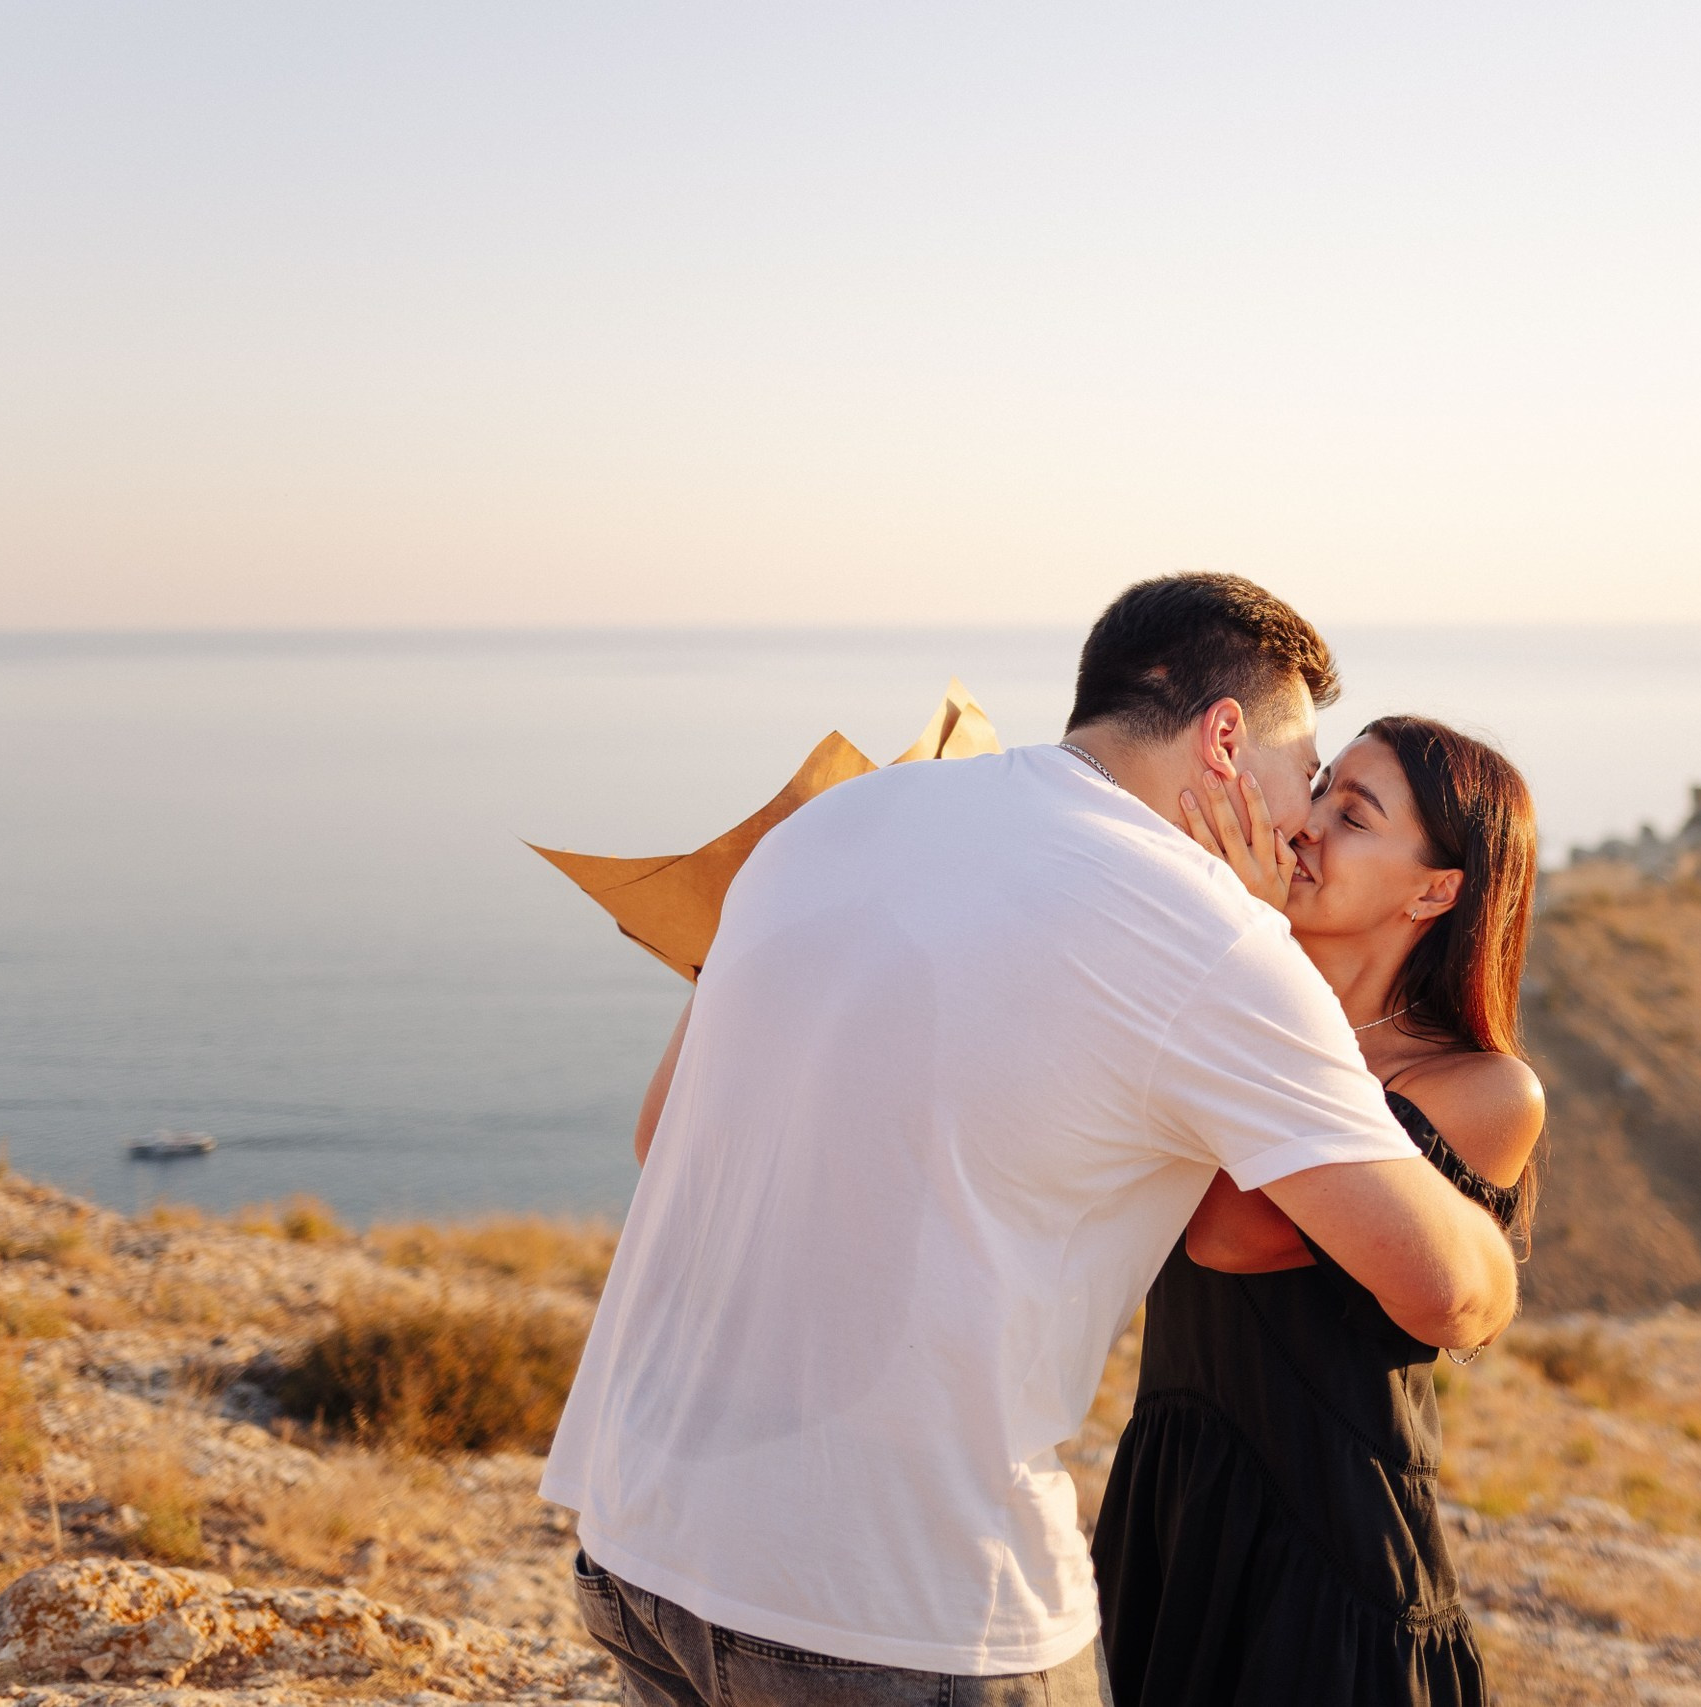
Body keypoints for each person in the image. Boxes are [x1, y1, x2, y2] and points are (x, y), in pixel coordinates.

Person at [542, 574, 1520, 1706]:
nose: (1301, 822)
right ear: (1223, 740)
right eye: (1306, 776)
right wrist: (1496, 1252)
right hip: (903, 1607)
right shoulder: (1209, 935)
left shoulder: (835, 817)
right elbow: (1452, 1293)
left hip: (642, 1540)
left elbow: (661, 1131)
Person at [1093, 715, 1543, 1707]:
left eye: (1355, 815)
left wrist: (1248, 945)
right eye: (1321, 788)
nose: (1305, 826)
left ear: (1435, 891)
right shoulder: (1219, 1019)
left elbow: (1230, 1230)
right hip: (1168, 1507)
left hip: (1327, 1557)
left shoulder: (1480, 1088)